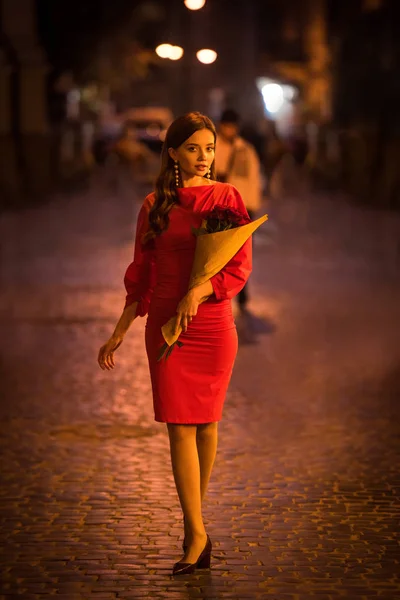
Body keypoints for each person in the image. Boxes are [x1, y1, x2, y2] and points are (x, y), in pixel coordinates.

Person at [97, 112, 252, 575]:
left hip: (211, 324)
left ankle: (193, 530)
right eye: (193, 149)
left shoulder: (228, 197)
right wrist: (121, 326)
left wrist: (198, 290)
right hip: (166, 326)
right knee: (179, 426)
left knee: (206, 424)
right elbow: (141, 271)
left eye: (209, 148)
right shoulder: (153, 205)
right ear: (173, 154)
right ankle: (198, 530)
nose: (204, 157)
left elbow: (237, 266)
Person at [215, 109, 262, 312]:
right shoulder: (211, 148)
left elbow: (253, 179)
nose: (229, 130)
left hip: (239, 207)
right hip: (216, 207)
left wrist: (252, 207)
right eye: (226, 125)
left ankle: (242, 293)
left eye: (232, 126)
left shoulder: (246, 151)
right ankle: (218, 294)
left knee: (239, 254)